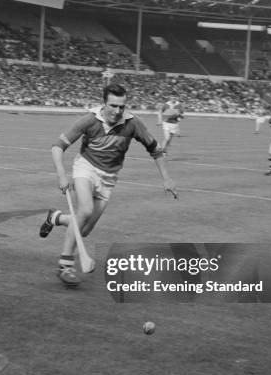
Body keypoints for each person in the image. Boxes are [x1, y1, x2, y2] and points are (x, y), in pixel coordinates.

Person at [39, 83, 176, 287]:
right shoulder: (89, 120)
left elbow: (155, 149)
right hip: (86, 168)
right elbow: (57, 147)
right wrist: (62, 175)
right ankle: (65, 265)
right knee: (84, 211)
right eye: (113, 105)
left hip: (109, 178)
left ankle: (56, 217)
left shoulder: (133, 124)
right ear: (104, 103)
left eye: (122, 106)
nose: (118, 111)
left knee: (84, 230)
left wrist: (166, 178)